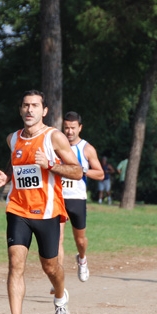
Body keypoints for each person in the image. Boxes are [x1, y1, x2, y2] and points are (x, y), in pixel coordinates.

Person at [0, 90, 83, 314]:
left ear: (44, 111)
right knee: (15, 263)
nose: (29, 110)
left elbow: (77, 172)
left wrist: (51, 165)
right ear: (20, 110)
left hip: (47, 213)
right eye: (25, 105)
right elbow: (16, 164)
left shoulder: (54, 137)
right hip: (18, 209)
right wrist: (6, 178)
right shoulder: (12, 139)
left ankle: (60, 297)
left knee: (50, 267)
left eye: (35, 106)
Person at [59, 111, 104, 283]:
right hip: (58, 198)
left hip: (77, 198)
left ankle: (82, 258)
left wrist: (81, 170)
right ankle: (59, 280)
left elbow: (100, 174)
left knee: (80, 240)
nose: (69, 131)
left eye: (73, 128)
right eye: (66, 128)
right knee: (58, 240)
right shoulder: (57, 145)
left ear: (80, 128)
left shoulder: (86, 149)